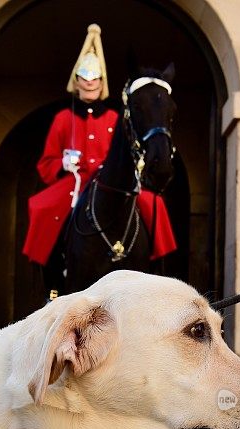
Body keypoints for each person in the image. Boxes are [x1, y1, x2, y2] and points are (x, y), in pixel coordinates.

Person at [22, 23, 176, 295]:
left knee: (156, 207)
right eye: (84, 75)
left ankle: (158, 275)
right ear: (77, 81)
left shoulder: (115, 118)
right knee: (43, 210)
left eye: (95, 76)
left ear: (102, 82)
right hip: (76, 183)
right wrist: (63, 164)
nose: (90, 81)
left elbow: (130, 151)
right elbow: (45, 165)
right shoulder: (62, 119)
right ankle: (54, 282)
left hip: (111, 181)